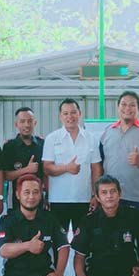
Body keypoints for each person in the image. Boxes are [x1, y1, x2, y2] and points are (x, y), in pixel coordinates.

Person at [0, 175, 72, 276]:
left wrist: (59, 273)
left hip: (42, 274)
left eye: (36, 192)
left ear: (41, 194)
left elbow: (63, 246)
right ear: (18, 195)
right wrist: (27, 246)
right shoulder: (8, 220)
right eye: (27, 192)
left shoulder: (49, 218)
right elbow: (3, 250)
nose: (31, 197)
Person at [42, 98, 102, 234]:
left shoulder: (91, 138)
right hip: (58, 199)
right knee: (58, 239)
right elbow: (46, 168)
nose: (70, 116)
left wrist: (95, 195)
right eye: (66, 113)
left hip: (84, 199)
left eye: (73, 112)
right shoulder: (52, 138)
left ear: (80, 113)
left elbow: (96, 168)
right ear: (60, 116)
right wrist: (66, 168)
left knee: (84, 239)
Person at [99, 91, 139, 212]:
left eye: (132, 105)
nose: (127, 108)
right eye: (124, 104)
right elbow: (99, 164)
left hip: (137, 197)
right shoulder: (107, 132)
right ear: (118, 107)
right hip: (110, 198)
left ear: (138, 109)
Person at [2, 107, 44, 210]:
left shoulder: (42, 144)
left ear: (35, 123)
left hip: (39, 200)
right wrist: (27, 170)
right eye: (22, 121)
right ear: (16, 124)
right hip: (17, 201)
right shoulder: (9, 146)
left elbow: (47, 174)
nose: (26, 125)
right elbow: (6, 175)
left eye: (30, 121)